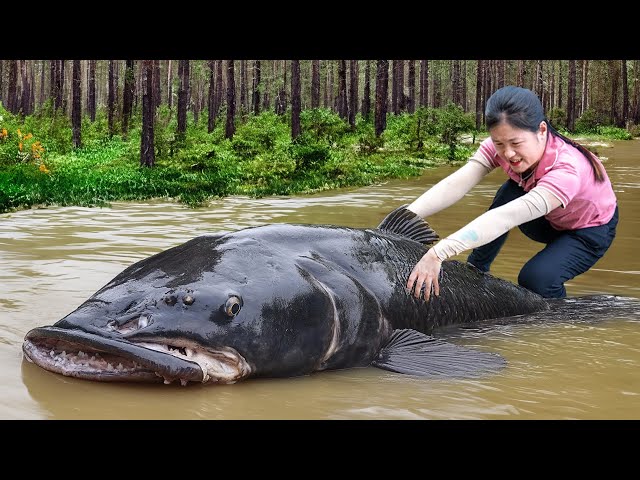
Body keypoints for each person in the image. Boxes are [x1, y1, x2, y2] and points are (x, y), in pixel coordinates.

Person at [406, 85, 619, 300]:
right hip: (547, 220)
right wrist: (403, 217)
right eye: (499, 143)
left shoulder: (567, 170)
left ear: (542, 131)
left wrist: (438, 253)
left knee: (536, 280)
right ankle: (476, 270)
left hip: (587, 231)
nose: (508, 153)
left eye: (516, 143)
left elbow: (505, 218)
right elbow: (456, 184)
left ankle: (560, 320)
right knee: (510, 191)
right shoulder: (500, 145)